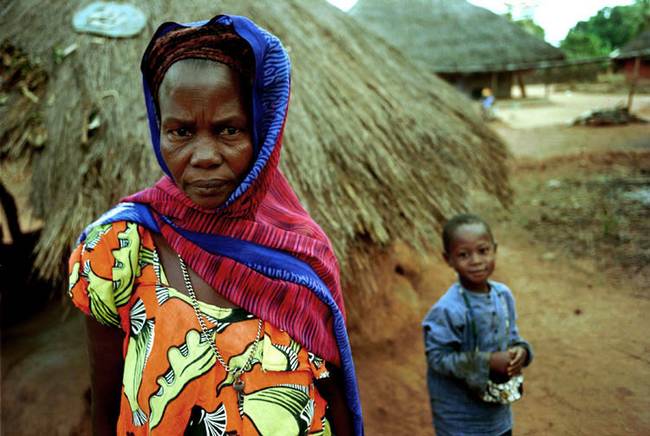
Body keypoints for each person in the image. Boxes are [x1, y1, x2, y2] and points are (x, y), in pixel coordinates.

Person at [68, 14, 363, 436]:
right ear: (159, 129)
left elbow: (334, 393)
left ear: (262, 132)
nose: (204, 155)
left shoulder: (300, 249)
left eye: (229, 130)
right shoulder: (116, 249)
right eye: (180, 131)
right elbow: (107, 401)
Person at [422, 213, 533, 436]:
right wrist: (487, 361)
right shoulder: (447, 310)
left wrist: (521, 351)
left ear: (494, 249)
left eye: (483, 251)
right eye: (464, 254)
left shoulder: (503, 296)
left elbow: (512, 336)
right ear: (448, 259)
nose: (476, 261)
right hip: (459, 418)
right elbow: (437, 358)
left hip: (497, 412)